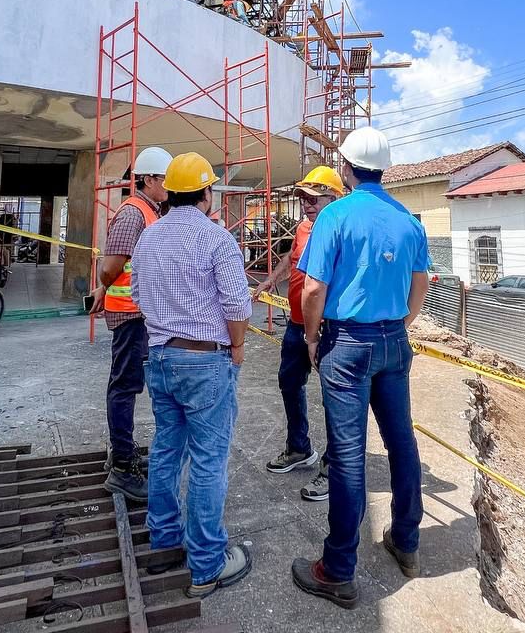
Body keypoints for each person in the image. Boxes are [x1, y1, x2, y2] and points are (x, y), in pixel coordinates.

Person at [290, 127, 430, 610]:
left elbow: (312, 290)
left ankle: (338, 570)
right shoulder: (408, 221)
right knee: (402, 442)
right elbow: (421, 284)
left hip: (346, 343)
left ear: (345, 168)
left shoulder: (335, 215)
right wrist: (398, 326)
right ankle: (406, 542)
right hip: (394, 341)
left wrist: (311, 338)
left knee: (348, 456)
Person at [131, 152, 254, 599]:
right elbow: (238, 308)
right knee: (207, 460)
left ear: (170, 192)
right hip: (205, 363)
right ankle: (206, 565)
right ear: (206, 193)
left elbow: (139, 295)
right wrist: (237, 347)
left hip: (161, 358)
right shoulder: (217, 240)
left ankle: (163, 538)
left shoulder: (148, 238)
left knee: (166, 448)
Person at [253, 165, 345, 501]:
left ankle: (333, 467)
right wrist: (270, 279)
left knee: (335, 398)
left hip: (325, 327)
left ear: (334, 198)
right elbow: (291, 259)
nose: (306, 203)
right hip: (296, 323)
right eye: (303, 197)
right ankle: (298, 448)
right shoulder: (305, 227)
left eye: (314, 197)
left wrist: (315, 333)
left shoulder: (339, 230)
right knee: (289, 383)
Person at [93, 146, 172, 502]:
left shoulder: (150, 212)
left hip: (139, 314)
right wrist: (103, 287)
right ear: (150, 179)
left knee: (129, 385)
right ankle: (123, 466)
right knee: (125, 386)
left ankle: (121, 451)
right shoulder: (133, 214)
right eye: (166, 180)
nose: (170, 187)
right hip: (130, 315)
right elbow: (110, 267)